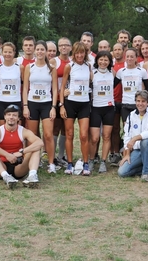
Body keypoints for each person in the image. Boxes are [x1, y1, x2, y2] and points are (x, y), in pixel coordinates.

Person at [0, 105, 44, 189]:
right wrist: (7, 155)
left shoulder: (23, 131)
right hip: (1, 166)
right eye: (9, 115)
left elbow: (40, 142)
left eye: (14, 115)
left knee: (35, 148)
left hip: (18, 166)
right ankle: (6, 176)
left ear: (18, 118)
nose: (11, 117)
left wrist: (21, 152)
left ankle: (32, 175)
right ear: (5, 117)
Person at [23, 40, 58, 174]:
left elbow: (55, 89)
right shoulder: (29, 67)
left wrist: (53, 107)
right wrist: (25, 106)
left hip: (46, 104)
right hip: (32, 103)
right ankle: (33, 162)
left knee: (48, 135)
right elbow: (25, 87)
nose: (39, 52)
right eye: (37, 49)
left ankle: (51, 163)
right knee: (33, 135)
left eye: (42, 49)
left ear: (46, 52)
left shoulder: (51, 69)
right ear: (34, 51)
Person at [59, 42, 92, 175]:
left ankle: (85, 163)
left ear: (85, 53)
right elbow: (62, 87)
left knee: (84, 135)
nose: (79, 55)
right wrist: (61, 105)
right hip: (70, 103)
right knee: (70, 134)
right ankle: (70, 164)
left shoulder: (88, 66)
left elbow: (90, 83)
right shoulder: (69, 66)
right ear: (73, 53)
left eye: (82, 52)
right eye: (77, 53)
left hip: (84, 103)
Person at [118, 90, 148, 181]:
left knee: (146, 141)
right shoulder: (131, 115)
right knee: (122, 172)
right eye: (138, 101)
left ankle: (146, 173)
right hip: (136, 150)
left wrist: (135, 138)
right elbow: (127, 135)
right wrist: (127, 153)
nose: (140, 104)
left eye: (143, 101)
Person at [88, 51, 115, 173]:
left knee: (106, 136)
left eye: (106, 60)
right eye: (101, 59)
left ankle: (103, 161)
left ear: (109, 62)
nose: (103, 62)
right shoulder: (92, 73)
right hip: (95, 108)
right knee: (94, 138)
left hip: (109, 108)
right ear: (97, 60)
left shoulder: (113, 73)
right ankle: (92, 159)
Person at [50, 37, 71, 167]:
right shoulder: (54, 61)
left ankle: (61, 155)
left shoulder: (73, 61)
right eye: (61, 45)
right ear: (58, 48)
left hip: (69, 99)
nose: (64, 47)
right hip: (55, 98)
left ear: (70, 48)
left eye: (66, 45)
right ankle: (52, 155)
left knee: (66, 128)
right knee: (55, 127)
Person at [114, 47, 148, 123]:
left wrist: (143, 100)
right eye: (127, 56)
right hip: (125, 104)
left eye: (132, 56)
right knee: (126, 128)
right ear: (125, 57)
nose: (129, 59)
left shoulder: (142, 71)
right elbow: (113, 85)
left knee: (138, 126)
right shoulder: (121, 72)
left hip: (138, 104)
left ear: (136, 58)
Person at [0, 42, 23, 126]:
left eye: (10, 52)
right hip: (2, 101)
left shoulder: (20, 67)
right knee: (2, 128)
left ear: (14, 53)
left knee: (17, 128)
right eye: (5, 52)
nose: (7, 54)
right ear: (2, 53)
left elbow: (23, 86)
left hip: (15, 100)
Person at [110, 43, 126, 166]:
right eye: (115, 50)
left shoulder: (128, 63)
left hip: (126, 101)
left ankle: (126, 152)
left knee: (127, 129)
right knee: (114, 128)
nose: (117, 52)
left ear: (123, 51)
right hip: (113, 100)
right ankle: (114, 153)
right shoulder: (110, 63)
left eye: (119, 49)